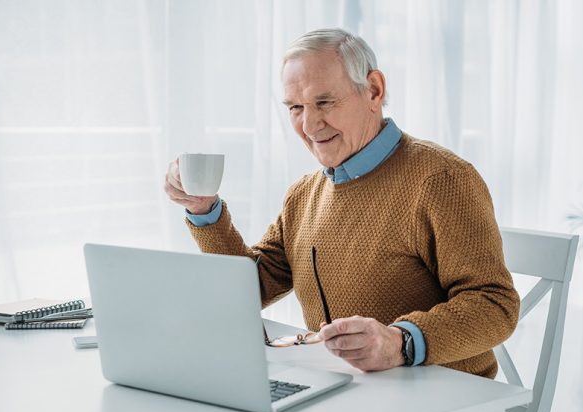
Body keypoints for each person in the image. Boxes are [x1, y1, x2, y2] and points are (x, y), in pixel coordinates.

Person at [163, 28, 519, 378]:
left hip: (444, 399)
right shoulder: (303, 194)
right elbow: (246, 290)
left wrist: (399, 343)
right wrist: (202, 209)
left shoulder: (441, 179)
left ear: (374, 91)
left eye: (324, 102)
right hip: (345, 391)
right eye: (295, 107)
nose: (309, 124)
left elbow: (494, 304)